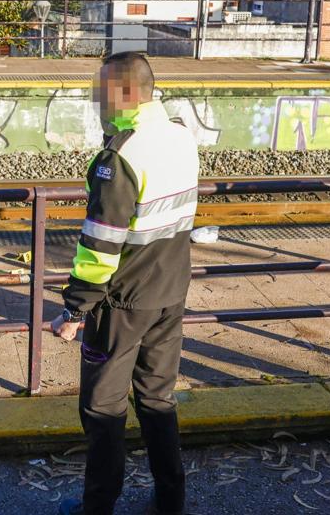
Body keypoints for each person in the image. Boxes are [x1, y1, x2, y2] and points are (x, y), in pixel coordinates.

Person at [51, 52, 199, 515]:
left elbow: (100, 246)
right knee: (158, 400)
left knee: (103, 410)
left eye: (101, 92)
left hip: (121, 303)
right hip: (170, 292)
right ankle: (170, 500)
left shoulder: (119, 158)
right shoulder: (181, 137)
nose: (96, 100)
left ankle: (97, 508)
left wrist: (75, 309)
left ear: (125, 94)